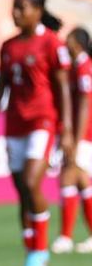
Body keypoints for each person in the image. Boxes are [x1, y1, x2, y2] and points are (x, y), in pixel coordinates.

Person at [0, 0, 72, 266]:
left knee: (31, 183)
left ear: (37, 11)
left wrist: (66, 129)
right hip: (15, 125)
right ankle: (31, 252)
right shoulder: (9, 46)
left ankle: (40, 253)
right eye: (14, 6)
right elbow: (0, 88)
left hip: (42, 122)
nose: (16, 12)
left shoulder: (52, 43)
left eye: (22, 7)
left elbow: (63, 88)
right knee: (22, 192)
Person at [52, 27, 92, 254]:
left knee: (69, 176)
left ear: (77, 43)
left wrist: (76, 141)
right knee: (81, 180)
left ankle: (65, 237)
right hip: (82, 133)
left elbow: (85, 105)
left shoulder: (84, 67)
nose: (65, 44)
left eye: (69, 40)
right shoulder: (78, 67)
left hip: (84, 134)